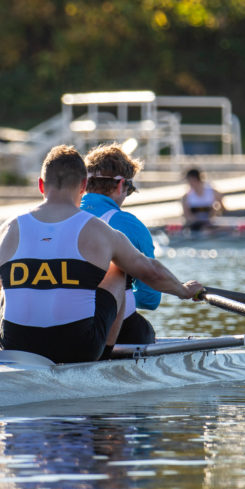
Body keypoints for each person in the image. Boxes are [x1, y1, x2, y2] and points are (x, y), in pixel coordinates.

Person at [0, 145, 203, 364]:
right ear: (83, 186)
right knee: (118, 270)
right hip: (78, 349)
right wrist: (183, 290)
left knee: (6, 281)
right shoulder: (99, 230)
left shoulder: (6, 229)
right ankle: (104, 358)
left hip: (14, 344)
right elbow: (151, 272)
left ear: (41, 185)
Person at [80, 143, 160, 344]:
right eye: (129, 189)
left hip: (59, 322)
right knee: (144, 329)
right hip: (112, 327)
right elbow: (150, 298)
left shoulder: (60, 215)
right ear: (120, 185)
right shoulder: (127, 224)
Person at [181, 167, 224, 231]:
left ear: (196, 179)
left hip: (211, 225)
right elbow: (187, 215)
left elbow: (222, 209)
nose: (189, 183)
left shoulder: (213, 193)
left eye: (190, 180)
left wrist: (215, 212)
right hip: (196, 226)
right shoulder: (186, 197)